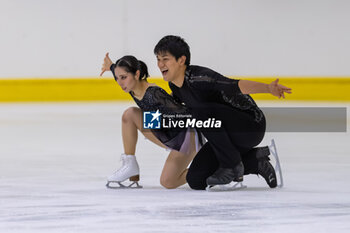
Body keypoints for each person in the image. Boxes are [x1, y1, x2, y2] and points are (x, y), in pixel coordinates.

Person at [153, 35, 292, 190]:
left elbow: (234, 85)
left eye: (165, 59)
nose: (160, 64)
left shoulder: (200, 77)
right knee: (196, 179)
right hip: (224, 135)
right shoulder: (176, 87)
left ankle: (231, 165)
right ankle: (255, 161)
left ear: (181, 60)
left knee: (200, 112)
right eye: (158, 59)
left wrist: (267, 88)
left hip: (250, 125)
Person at [100, 53, 199, 189]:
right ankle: (130, 165)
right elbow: (119, 72)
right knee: (130, 114)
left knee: (168, 182)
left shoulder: (154, 94)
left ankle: (213, 168)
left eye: (123, 78)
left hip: (186, 137)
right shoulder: (131, 87)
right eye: (117, 78)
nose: (120, 82)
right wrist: (110, 66)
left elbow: (186, 116)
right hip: (166, 132)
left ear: (137, 74)